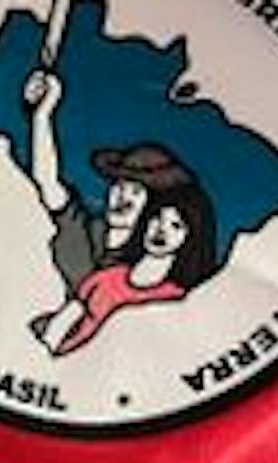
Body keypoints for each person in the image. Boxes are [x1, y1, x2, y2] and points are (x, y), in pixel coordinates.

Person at [23, 68, 198, 294]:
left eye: (136, 191)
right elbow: (47, 180)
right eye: (119, 186)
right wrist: (42, 115)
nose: (123, 196)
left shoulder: (154, 259)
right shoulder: (85, 231)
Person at [33, 180, 218, 355]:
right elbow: (62, 324)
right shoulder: (106, 278)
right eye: (157, 218)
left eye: (176, 226)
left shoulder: (177, 297)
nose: (162, 229)